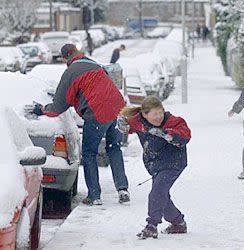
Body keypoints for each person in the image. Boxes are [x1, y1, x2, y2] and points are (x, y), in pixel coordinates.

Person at [28, 44, 130, 206]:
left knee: (89, 153)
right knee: (114, 148)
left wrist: (41, 110)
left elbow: (58, 107)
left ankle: (94, 195)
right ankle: (123, 189)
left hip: (97, 113)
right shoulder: (93, 64)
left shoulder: (71, 72)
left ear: (64, 58)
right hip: (118, 109)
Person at [117, 96, 191, 239]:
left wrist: (167, 134)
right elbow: (127, 124)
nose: (159, 117)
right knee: (163, 196)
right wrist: (122, 124)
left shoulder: (173, 122)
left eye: (160, 112)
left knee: (157, 193)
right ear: (144, 114)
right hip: (155, 165)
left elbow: (185, 135)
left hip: (173, 163)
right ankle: (178, 223)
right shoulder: (140, 122)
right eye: (154, 114)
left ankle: (152, 225)